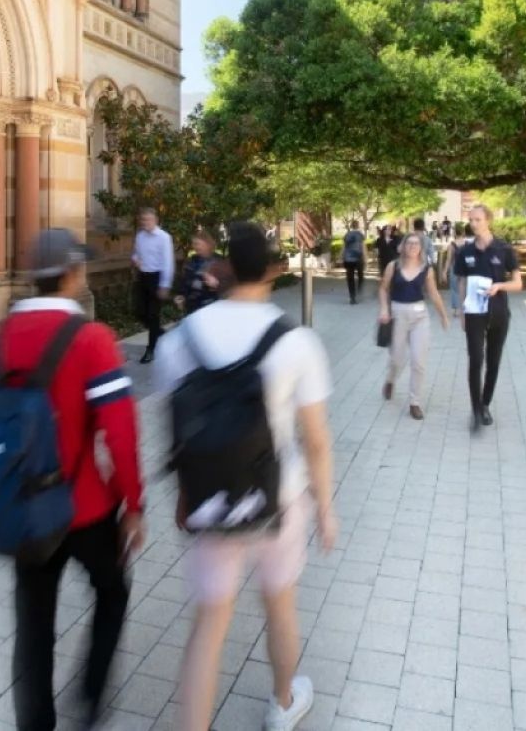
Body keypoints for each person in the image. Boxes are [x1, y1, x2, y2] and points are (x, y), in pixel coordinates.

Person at [156, 223, 337, 731]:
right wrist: (324, 508)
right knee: (279, 607)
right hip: (278, 502)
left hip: (210, 500)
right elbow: (317, 441)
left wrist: (183, 496)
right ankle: (283, 703)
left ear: (226, 267)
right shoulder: (296, 341)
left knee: (209, 625)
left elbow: (175, 429)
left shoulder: (180, 340)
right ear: (275, 270)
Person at [3, 229, 145, 731]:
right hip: (84, 507)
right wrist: (134, 505)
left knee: (33, 625)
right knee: (113, 592)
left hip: (24, 509)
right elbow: (120, 430)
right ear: (69, 276)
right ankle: (89, 697)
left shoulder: (3, 337)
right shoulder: (91, 339)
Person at [453, 205, 522, 432]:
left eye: (478, 219)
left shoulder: (504, 249)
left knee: (493, 361)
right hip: (474, 313)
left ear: (488, 220)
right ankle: (474, 410)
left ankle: (485, 404)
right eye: (471, 220)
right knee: (475, 360)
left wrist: (499, 286)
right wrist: (461, 311)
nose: (473, 224)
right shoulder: (465, 251)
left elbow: (518, 283)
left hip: (498, 312)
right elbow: (462, 282)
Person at [378, 232, 450, 420]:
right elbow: (383, 289)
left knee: (419, 362)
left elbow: (434, 294)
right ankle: (391, 380)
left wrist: (443, 316)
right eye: (408, 243)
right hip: (398, 314)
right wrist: (384, 309)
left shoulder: (427, 269)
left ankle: (415, 402)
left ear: (421, 248)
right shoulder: (393, 266)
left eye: (416, 244)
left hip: (420, 317)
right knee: (397, 359)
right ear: (402, 246)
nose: (412, 246)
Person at [131, 208, 174, 364]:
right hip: (143, 277)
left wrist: (165, 285)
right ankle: (158, 331)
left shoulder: (164, 238)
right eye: (143, 220)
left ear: (155, 220)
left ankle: (151, 349)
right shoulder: (140, 236)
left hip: (157, 278)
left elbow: (168, 263)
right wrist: (135, 259)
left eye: (148, 220)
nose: (145, 223)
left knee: (153, 315)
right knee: (139, 312)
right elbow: (135, 254)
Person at [175, 229, 230, 315]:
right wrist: (180, 295)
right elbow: (184, 281)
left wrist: (217, 284)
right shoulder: (192, 260)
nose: (194, 246)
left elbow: (229, 286)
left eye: (197, 244)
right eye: (193, 244)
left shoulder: (219, 261)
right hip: (192, 307)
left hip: (212, 308)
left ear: (207, 244)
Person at [341, 219, 366, 304]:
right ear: (358, 225)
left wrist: (341, 257)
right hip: (358, 258)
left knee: (350, 278)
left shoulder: (347, 235)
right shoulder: (360, 235)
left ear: (351, 226)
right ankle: (359, 289)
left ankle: (352, 297)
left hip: (348, 259)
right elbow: (363, 247)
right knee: (360, 276)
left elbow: (343, 247)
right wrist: (366, 259)